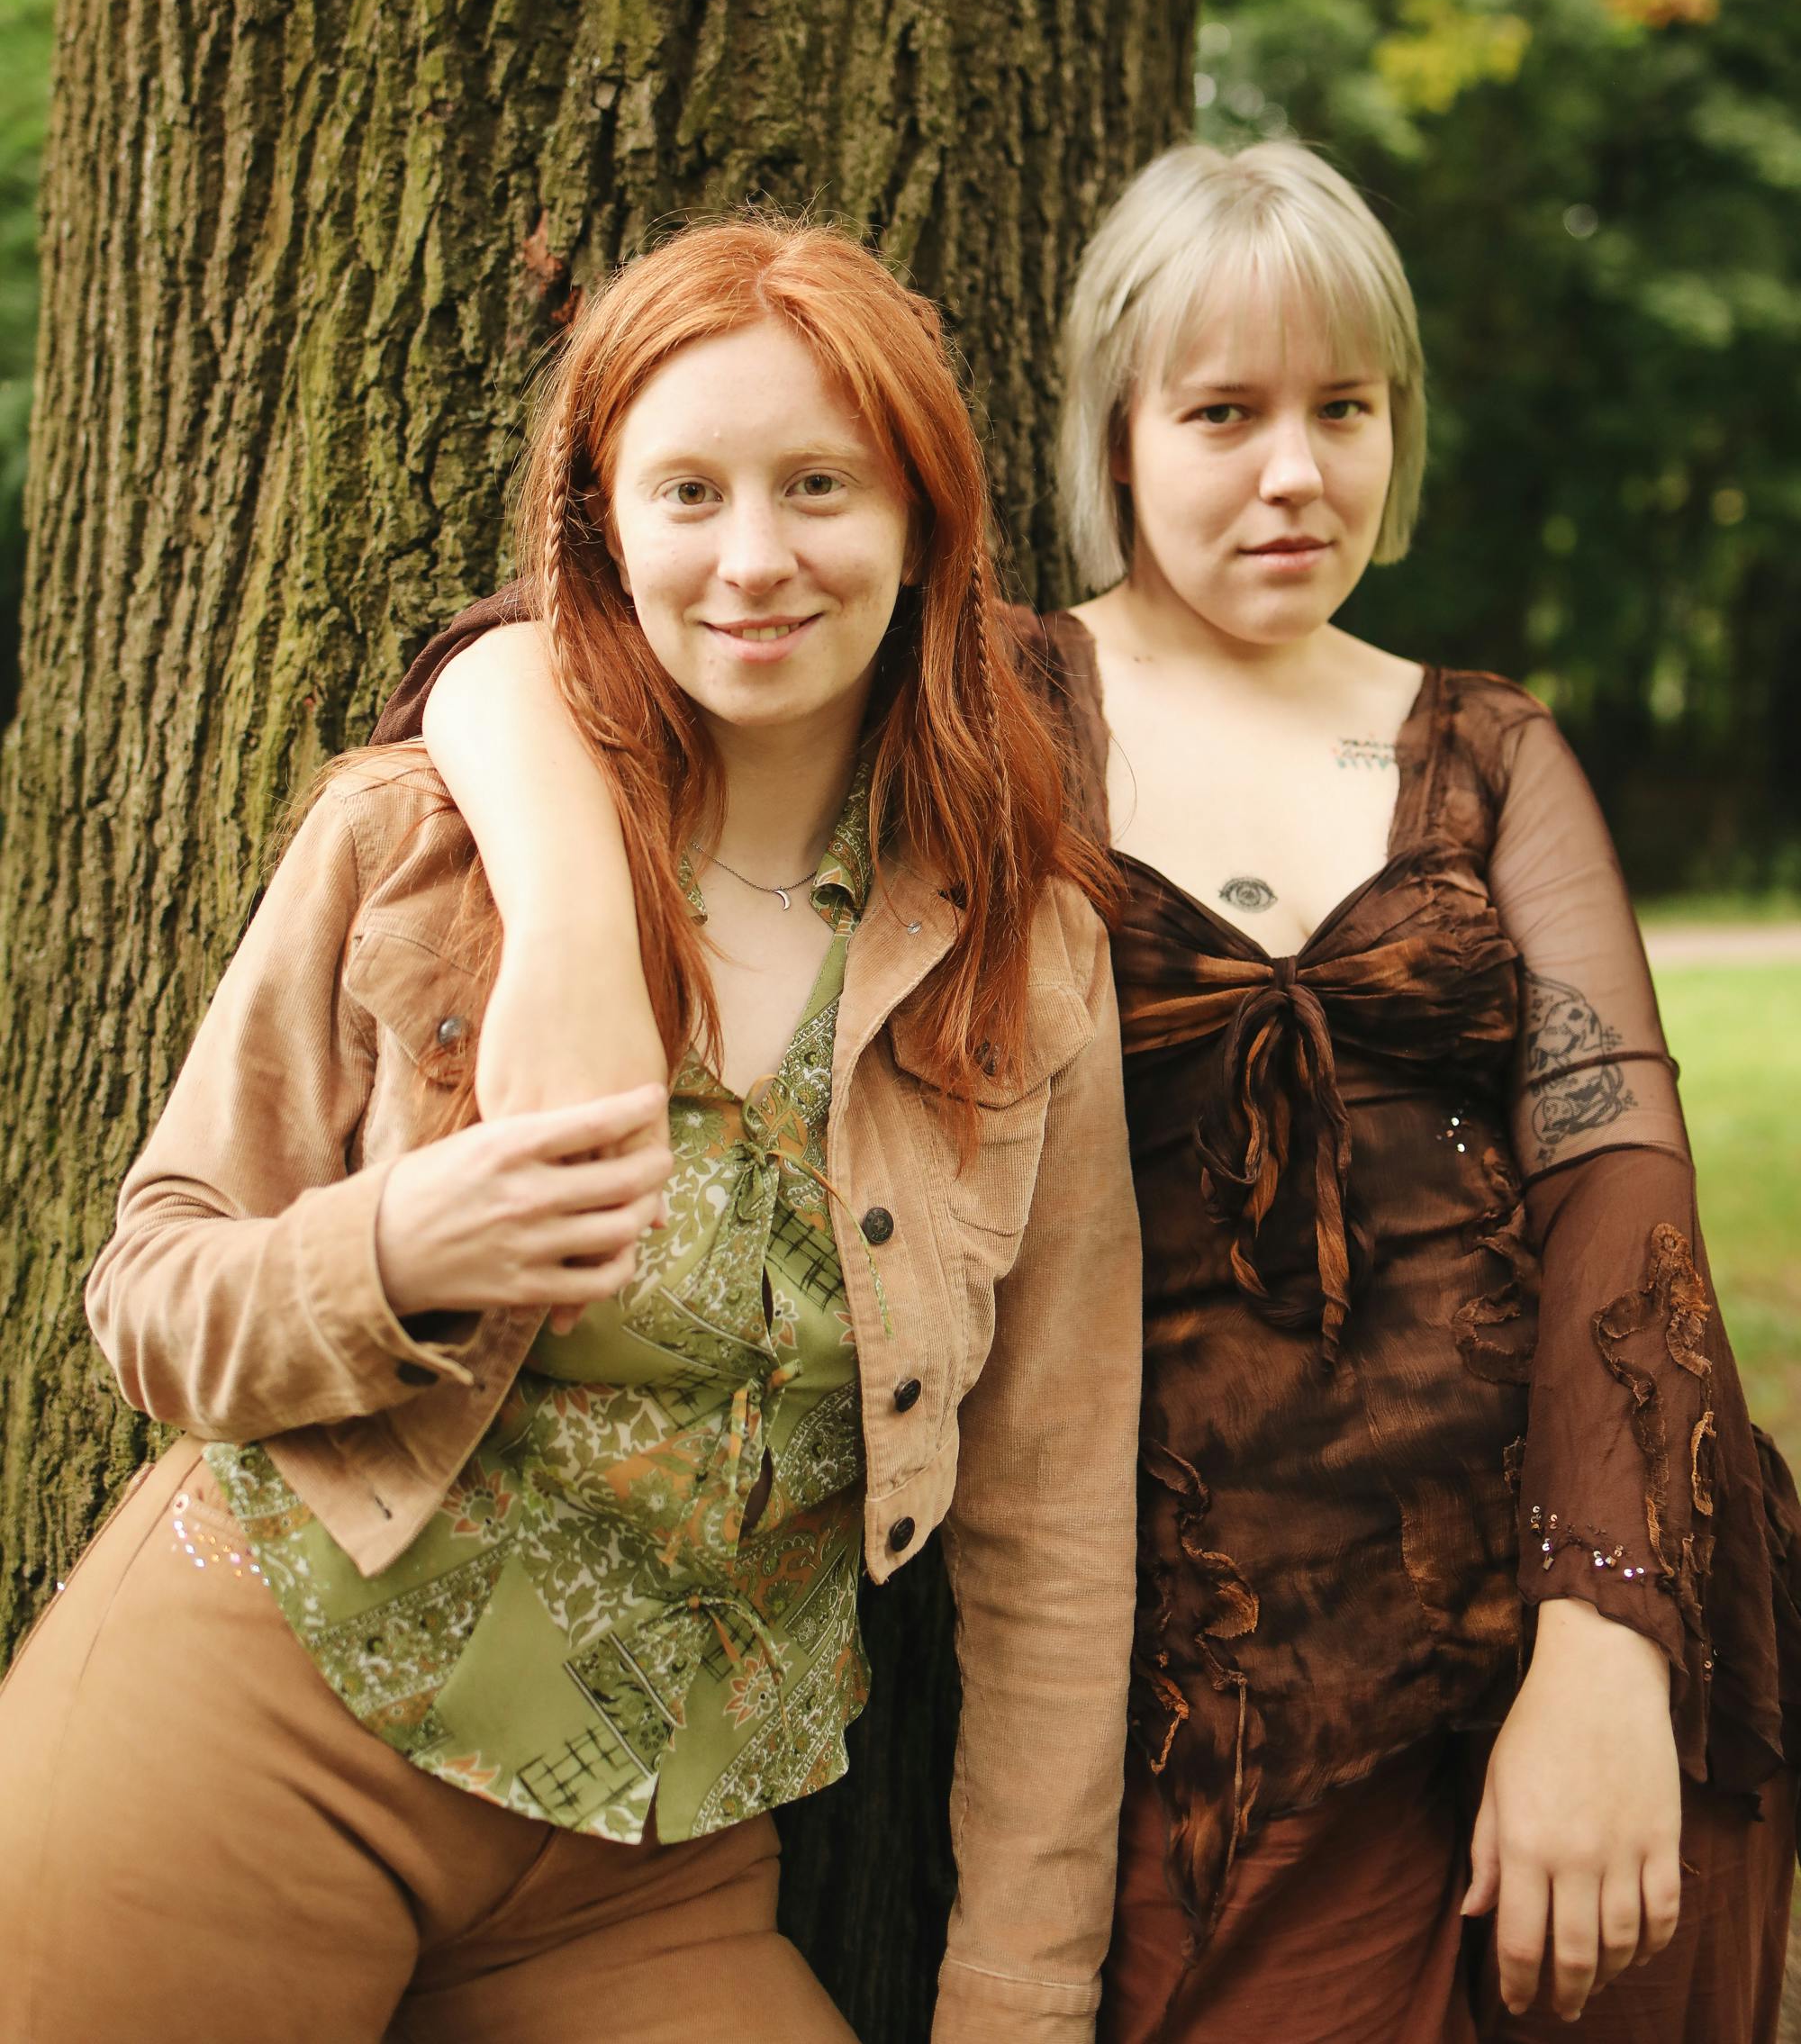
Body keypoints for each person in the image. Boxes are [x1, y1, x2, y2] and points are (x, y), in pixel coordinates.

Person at [378, 147, 1800, 2044]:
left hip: (1574, 1604)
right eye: (1224, 413)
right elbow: (520, 658)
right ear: (1114, 436)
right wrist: (561, 908)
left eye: (1343, 411)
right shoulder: (991, 704)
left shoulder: (1489, 745)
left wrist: (1609, 1633)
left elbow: (1620, 1186)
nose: (1294, 473)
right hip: (1226, 1681)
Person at [0, 217, 1140, 2044]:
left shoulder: (1024, 961)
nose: (753, 558)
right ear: (606, 523)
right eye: (686, 491)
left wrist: (1018, 1992)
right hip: (262, 1730)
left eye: (820, 486)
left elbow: (1058, 1530)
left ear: (924, 521)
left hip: (651, 1865)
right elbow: (149, 1295)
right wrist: (392, 1252)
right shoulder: (422, 842)